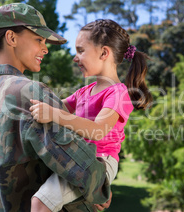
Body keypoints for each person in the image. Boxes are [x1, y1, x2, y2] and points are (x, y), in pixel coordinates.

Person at [0, 3, 111, 211]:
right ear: (11, 38)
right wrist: (101, 184)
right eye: (38, 39)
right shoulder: (29, 92)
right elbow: (76, 161)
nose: (45, 48)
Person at [29, 19, 153, 211]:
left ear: (104, 53)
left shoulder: (118, 93)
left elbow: (97, 131)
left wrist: (53, 114)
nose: (75, 58)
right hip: (80, 157)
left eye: (81, 50)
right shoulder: (84, 92)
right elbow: (56, 106)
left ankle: (95, 187)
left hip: (100, 161)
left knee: (40, 203)